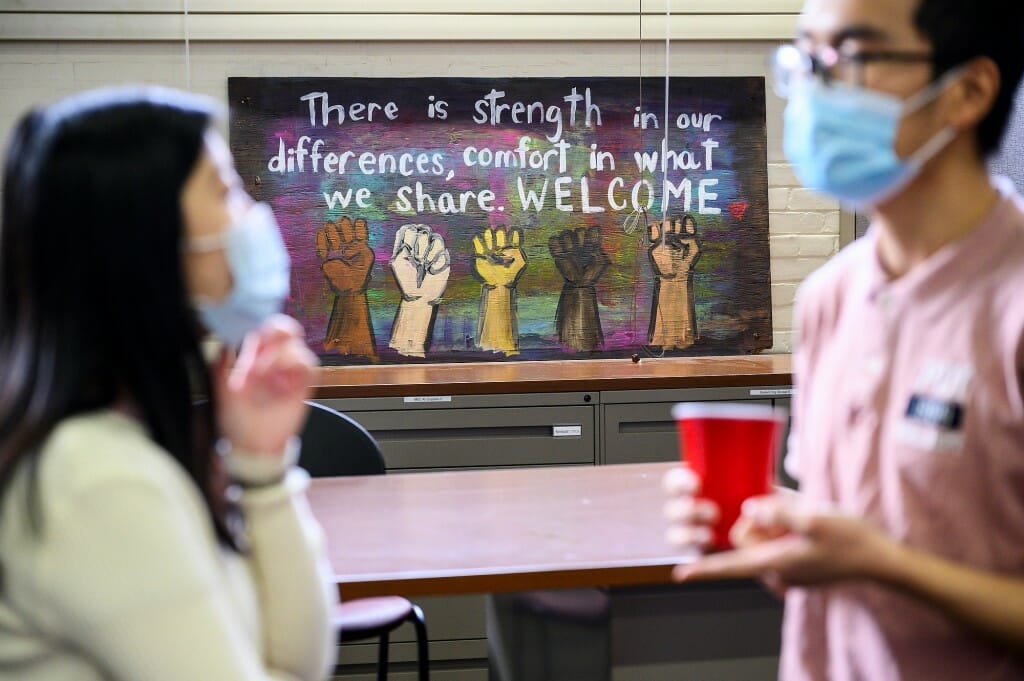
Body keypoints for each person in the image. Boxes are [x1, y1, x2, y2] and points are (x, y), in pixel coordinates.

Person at [664, 0, 1024, 678]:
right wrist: (775, 529)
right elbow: (854, 526)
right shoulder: (830, 297)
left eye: (853, 57)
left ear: (968, 91)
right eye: (806, 60)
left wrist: (879, 563)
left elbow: (875, 551)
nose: (815, 91)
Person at [0, 86, 337, 680]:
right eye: (226, 191)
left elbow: (295, 664)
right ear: (144, 236)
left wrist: (262, 467)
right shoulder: (96, 479)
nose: (250, 214)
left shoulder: (126, 443)